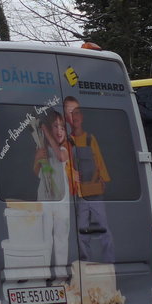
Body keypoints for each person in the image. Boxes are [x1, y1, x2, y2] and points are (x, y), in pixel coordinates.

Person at [63, 96, 116, 263]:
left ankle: (110, 263)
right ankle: (86, 264)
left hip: (95, 192)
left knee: (104, 228)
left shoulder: (89, 138)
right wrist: (71, 174)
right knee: (81, 231)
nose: (75, 116)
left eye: (77, 112)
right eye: (71, 113)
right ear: (66, 117)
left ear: (82, 116)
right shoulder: (67, 141)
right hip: (80, 194)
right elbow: (65, 164)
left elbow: (99, 160)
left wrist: (104, 180)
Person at [32, 110, 76, 279]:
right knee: (45, 240)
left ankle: (60, 278)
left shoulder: (65, 147)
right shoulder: (42, 148)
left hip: (61, 202)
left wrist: (47, 134)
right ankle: (42, 275)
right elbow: (36, 172)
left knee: (61, 239)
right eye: (55, 126)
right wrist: (38, 156)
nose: (59, 131)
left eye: (62, 128)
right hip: (44, 200)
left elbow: (60, 157)